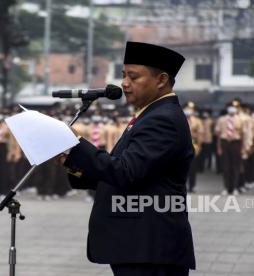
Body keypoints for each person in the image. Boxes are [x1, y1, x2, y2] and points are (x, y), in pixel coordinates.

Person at [59, 41, 195, 276]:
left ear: (161, 80)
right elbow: (122, 172)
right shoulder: (150, 115)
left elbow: (125, 172)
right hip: (139, 245)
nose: (124, 84)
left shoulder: (163, 119)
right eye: (123, 75)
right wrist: (71, 161)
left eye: (133, 77)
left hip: (149, 246)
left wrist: (76, 146)